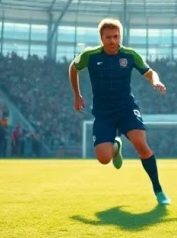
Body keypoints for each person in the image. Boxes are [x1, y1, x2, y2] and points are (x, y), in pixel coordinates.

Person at [70, 18, 170, 205]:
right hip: (103, 113)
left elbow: (149, 72)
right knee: (103, 158)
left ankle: (158, 191)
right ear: (101, 38)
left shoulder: (130, 55)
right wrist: (77, 95)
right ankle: (116, 146)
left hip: (126, 108)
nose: (113, 41)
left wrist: (155, 81)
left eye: (116, 37)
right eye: (108, 37)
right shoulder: (89, 55)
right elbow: (73, 68)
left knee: (141, 145)